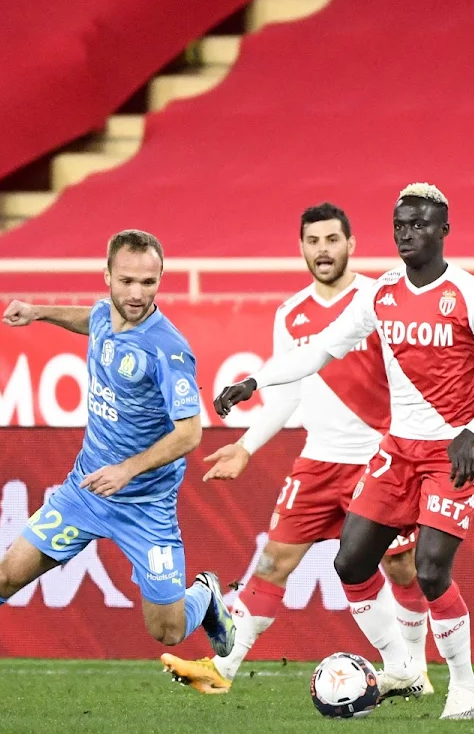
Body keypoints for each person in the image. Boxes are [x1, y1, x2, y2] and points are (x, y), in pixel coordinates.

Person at [0, 230, 236, 707]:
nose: (136, 294)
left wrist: (127, 470)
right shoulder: (109, 312)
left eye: (148, 283)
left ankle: (205, 598)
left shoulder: (167, 350)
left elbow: (190, 432)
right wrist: (41, 312)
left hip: (145, 507)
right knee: (4, 575)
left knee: (166, 632)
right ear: (107, 276)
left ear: (160, 280)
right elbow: (93, 319)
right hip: (84, 492)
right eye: (126, 280)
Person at [214, 183, 474, 720]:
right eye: (401, 224)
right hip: (397, 450)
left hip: (453, 450)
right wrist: (253, 381)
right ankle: (402, 665)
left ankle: (465, 684)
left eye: (420, 224)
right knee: (351, 561)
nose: (408, 233)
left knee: (429, 570)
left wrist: (472, 434)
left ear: (444, 230)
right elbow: (318, 350)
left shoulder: (471, 294)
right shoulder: (379, 294)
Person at [159, 202, 434, 694]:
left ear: (351, 244)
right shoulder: (290, 315)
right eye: (313, 241)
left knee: (402, 567)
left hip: (379, 458)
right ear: (302, 248)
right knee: (273, 563)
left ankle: (413, 667)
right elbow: (285, 397)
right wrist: (246, 446)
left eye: (332, 240)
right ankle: (222, 671)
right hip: (318, 462)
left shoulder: (379, 299)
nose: (323, 250)